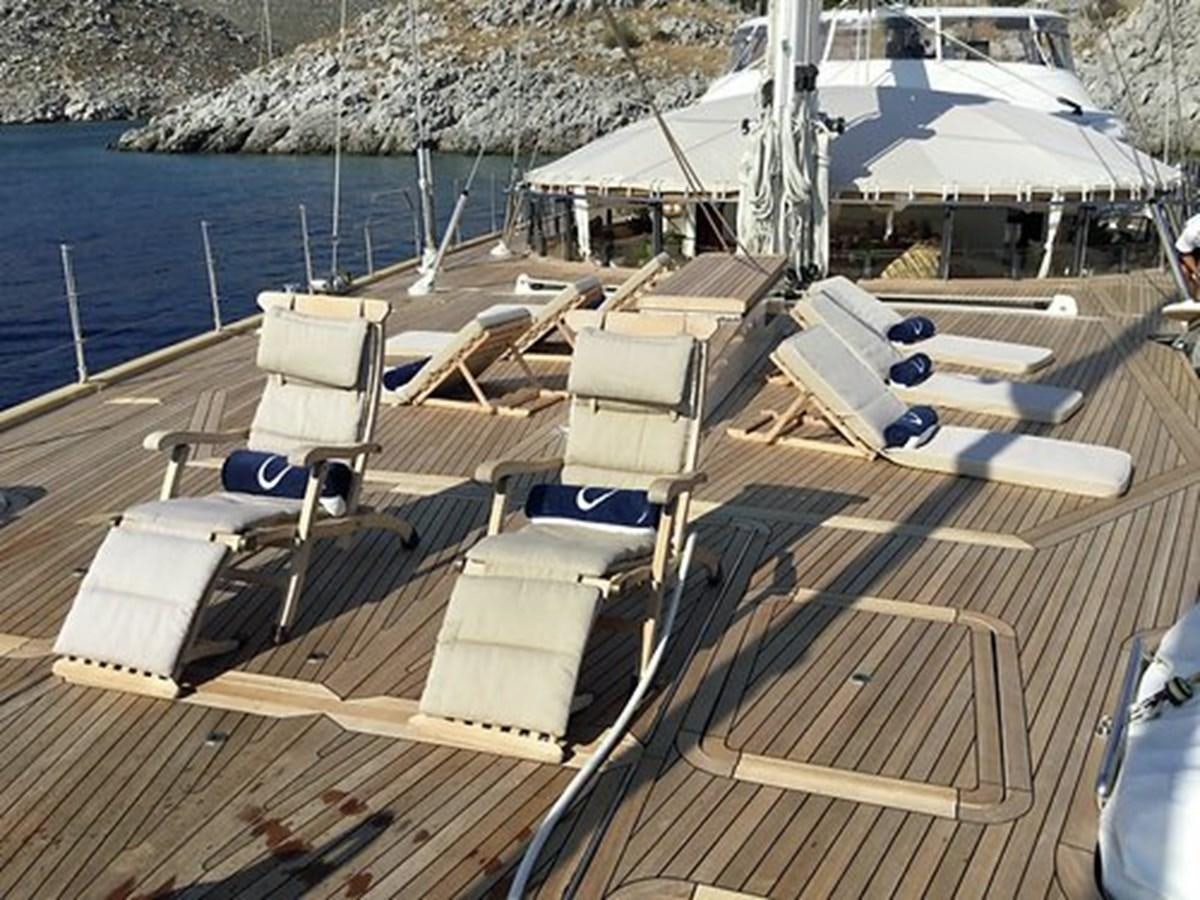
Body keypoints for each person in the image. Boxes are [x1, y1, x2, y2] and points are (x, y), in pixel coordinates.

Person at [1175, 212, 1200, 298]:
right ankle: (1192, 298)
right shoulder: (1192, 232)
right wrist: (1196, 272)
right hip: (1189, 246)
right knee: (1185, 272)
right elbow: (1185, 253)